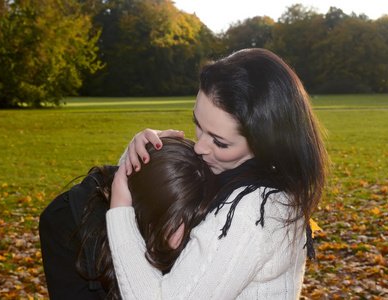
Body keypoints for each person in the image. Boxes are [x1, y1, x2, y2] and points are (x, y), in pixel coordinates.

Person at [107, 48, 329, 299]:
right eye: (198, 126)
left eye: (220, 143)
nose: (199, 147)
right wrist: (139, 155)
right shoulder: (257, 182)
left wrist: (119, 209)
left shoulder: (252, 213)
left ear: (264, 143)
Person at [39, 137, 217, 299]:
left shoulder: (214, 214)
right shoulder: (65, 222)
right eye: (167, 223)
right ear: (134, 207)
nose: (176, 242)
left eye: (191, 224)